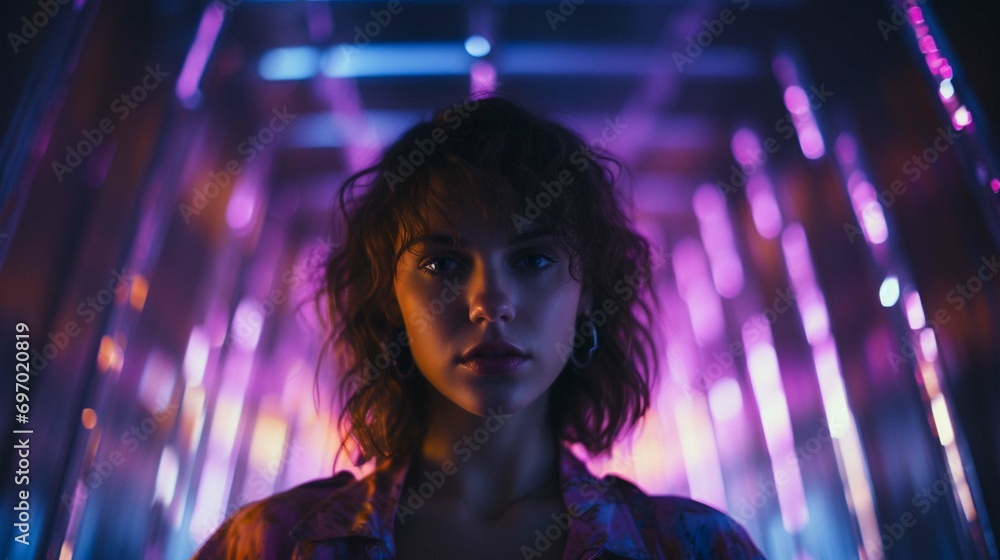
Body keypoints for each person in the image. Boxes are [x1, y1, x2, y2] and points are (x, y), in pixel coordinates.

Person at [191, 95, 766, 559]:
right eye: (443, 263)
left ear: (588, 290)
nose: (489, 304)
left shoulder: (694, 547)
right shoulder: (268, 544)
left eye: (533, 259)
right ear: (390, 297)